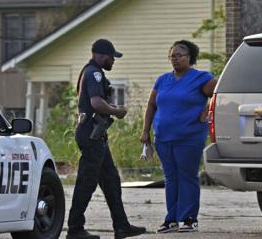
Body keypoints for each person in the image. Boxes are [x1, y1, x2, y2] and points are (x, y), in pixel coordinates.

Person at [67, 39, 146, 239]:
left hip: (96, 134)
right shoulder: (93, 72)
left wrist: (110, 106)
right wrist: (116, 111)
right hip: (91, 134)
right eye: (112, 57)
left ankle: (122, 226)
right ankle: (75, 229)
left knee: (111, 180)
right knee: (87, 181)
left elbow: (100, 98)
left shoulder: (94, 73)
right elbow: (96, 103)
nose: (113, 61)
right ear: (102, 55)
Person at [140, 40, 218, 233]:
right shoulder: (162, 80)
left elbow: (218, 93)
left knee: (187, 176)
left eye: (179, 55)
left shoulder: (201, 78)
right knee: (171, 178)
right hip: (163, 137)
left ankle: (189, 218)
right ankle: (171, 219)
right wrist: (145, 131)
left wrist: (205, 113)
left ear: (189, 57)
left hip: (189, 137)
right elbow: (151, 105)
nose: (175, 59)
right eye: (172, 55)